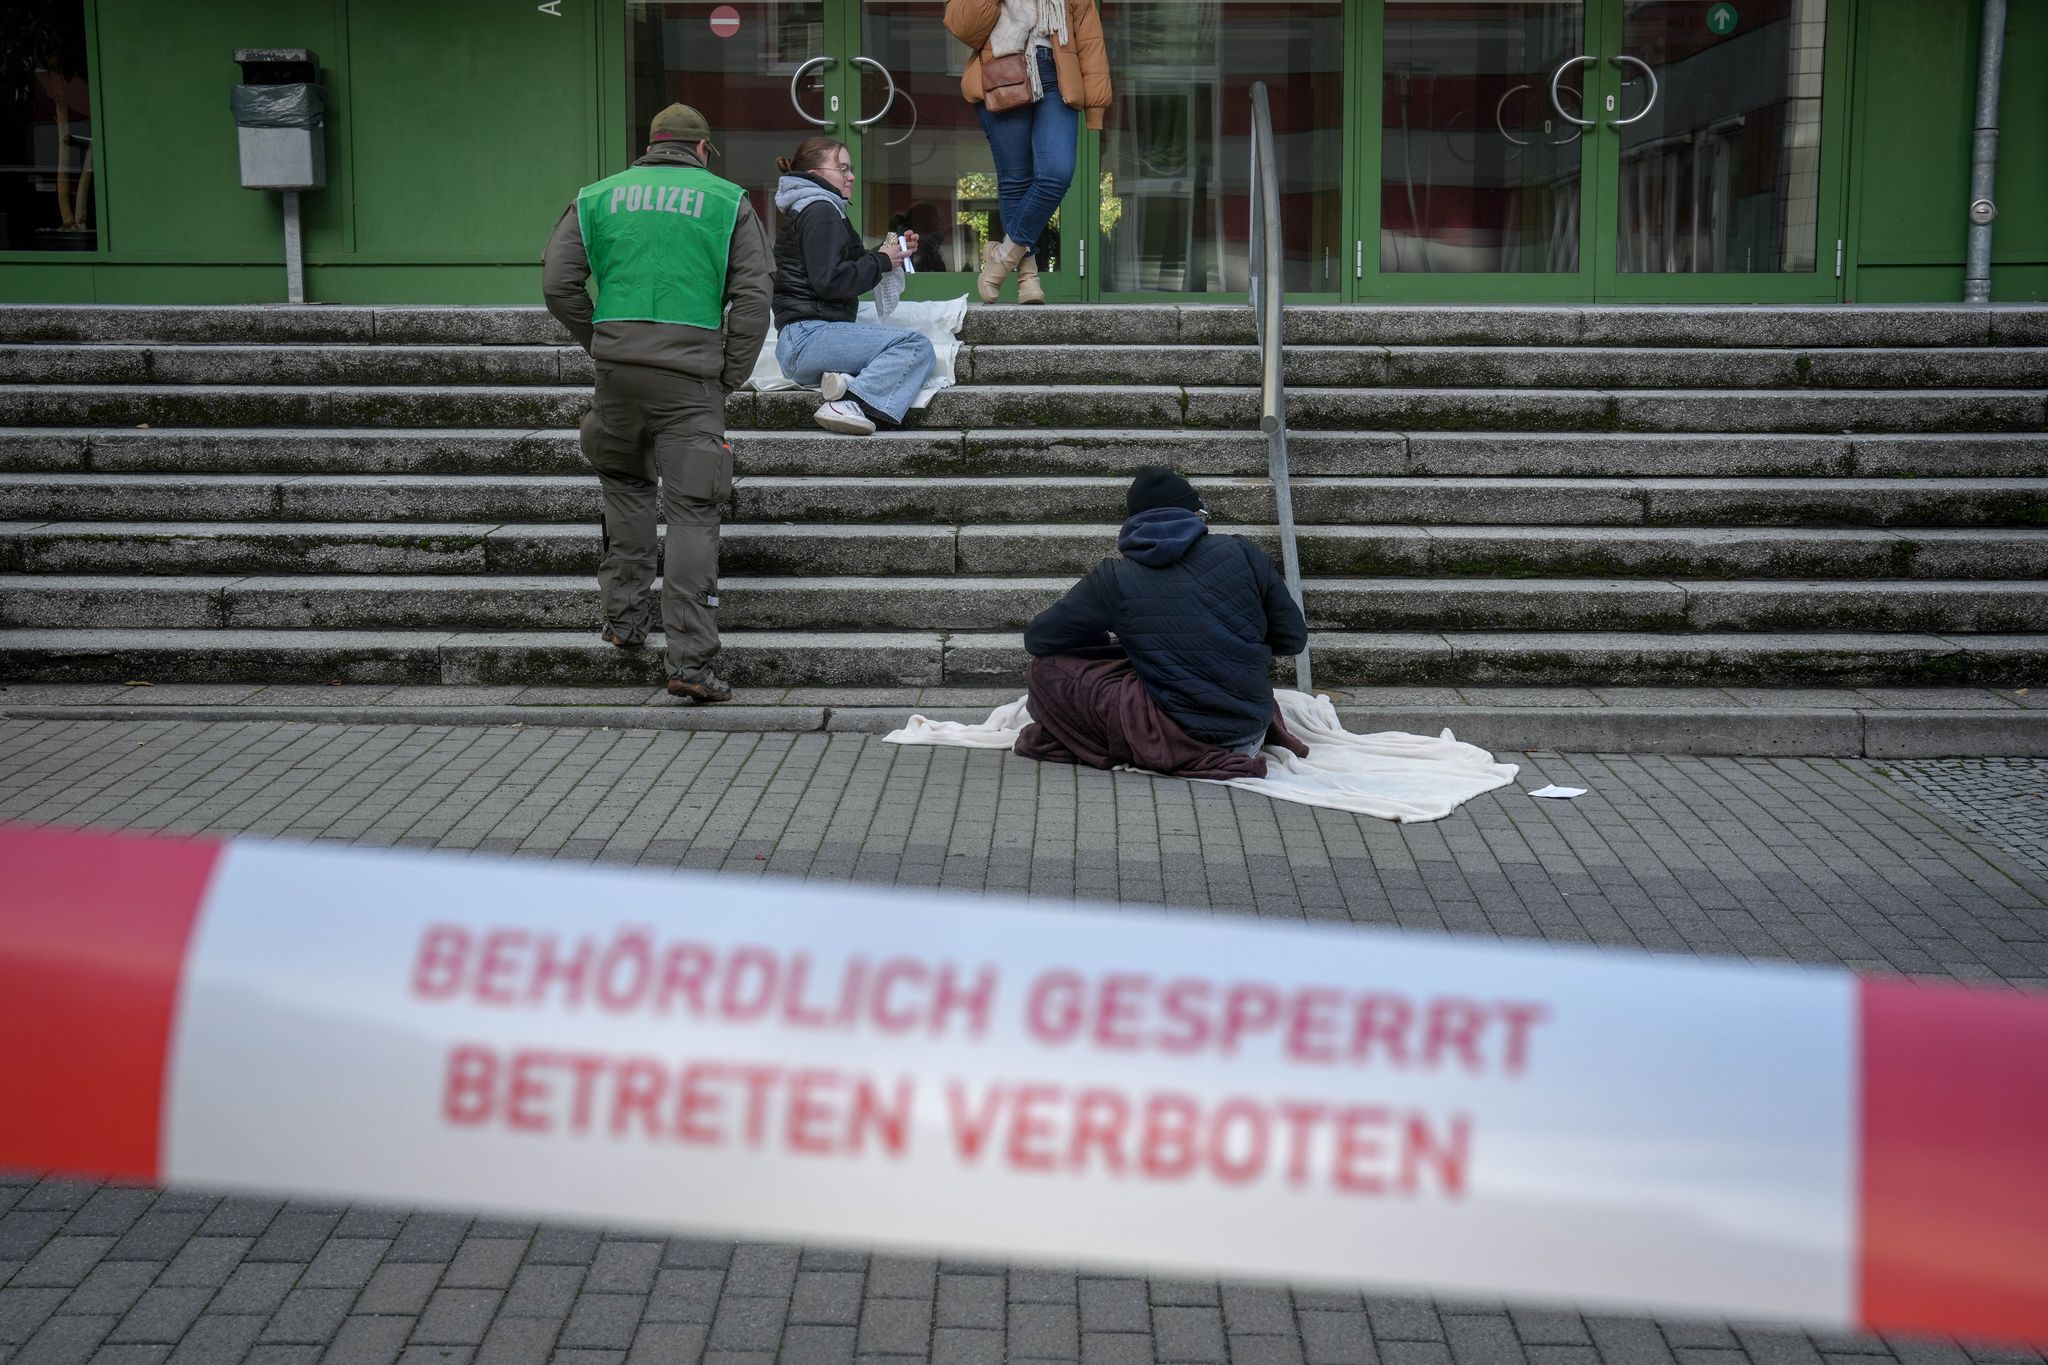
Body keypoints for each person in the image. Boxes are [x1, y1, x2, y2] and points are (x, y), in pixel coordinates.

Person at [541, 103, 771, 704]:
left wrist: (603, 342)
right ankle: (692, 664)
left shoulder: (597, 197)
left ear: (650, 147)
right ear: (700, 150)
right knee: (693, 512)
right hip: (691, 378)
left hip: (617, 375)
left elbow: (557, 281)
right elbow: (752, 298)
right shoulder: (727, 200)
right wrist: (730, 374)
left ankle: (623, 624)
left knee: (624, 489)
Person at [1020, 467, 1310, 775]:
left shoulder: (1114, 577)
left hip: (1183, 736)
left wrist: (1110, 640)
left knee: (1043, 670)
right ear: (1195, 514)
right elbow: (1292, 639)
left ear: (1133, 523)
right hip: (1252, 729)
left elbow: (1039, 640)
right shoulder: (1243, 551)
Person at [943, 0, 1112, 304]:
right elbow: (964, 27)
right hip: (1002, 70)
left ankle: (1003, 257)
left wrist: (1096, 107)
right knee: (1016, 179)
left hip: (1057, 73)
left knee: (1056, 174)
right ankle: (1027, 277)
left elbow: (1090, 40)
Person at [771, 137, 938, 436]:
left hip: (804, 341)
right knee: (915, 347)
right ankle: (849, 403)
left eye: (851, 169)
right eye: (843, 168)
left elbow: (845, 265)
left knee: (887, 350)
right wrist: (882, 261)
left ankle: (842, 382)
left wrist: (890, 253)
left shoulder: (815, 209)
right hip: (810, 337)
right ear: (815, 174)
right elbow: (831, 280)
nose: (852, 176)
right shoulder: (821, 211)